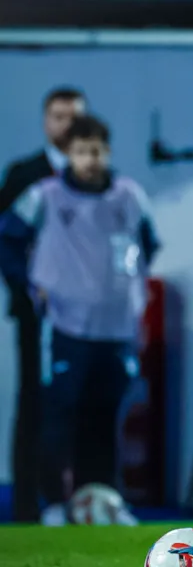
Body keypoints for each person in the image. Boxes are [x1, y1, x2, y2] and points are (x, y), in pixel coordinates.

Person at [0, 114, 158, 527]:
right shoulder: (44, 196)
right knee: (59, 417)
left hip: (117, 328)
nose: (90, 160)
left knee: (107, 417)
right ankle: (54, 502)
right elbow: (7, 241)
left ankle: (103, 500)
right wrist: (30, 287)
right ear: (69, 154)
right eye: (82, 152)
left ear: (108, 152)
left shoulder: (130, 196)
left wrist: (127, 289)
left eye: (97, 151)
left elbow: (148, 244)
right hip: (66, 326)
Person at [0, 87, 86, 523]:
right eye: (58, 116)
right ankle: (27, 505)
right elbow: (6, 241)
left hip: (87, 319)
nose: (67, 125)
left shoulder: (96, 176)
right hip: (39, 316)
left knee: (82, 406)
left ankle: (80, 501)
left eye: (74, 116)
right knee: (34, 404)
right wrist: (30, 290)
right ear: (45, 121)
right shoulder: (25, 175)